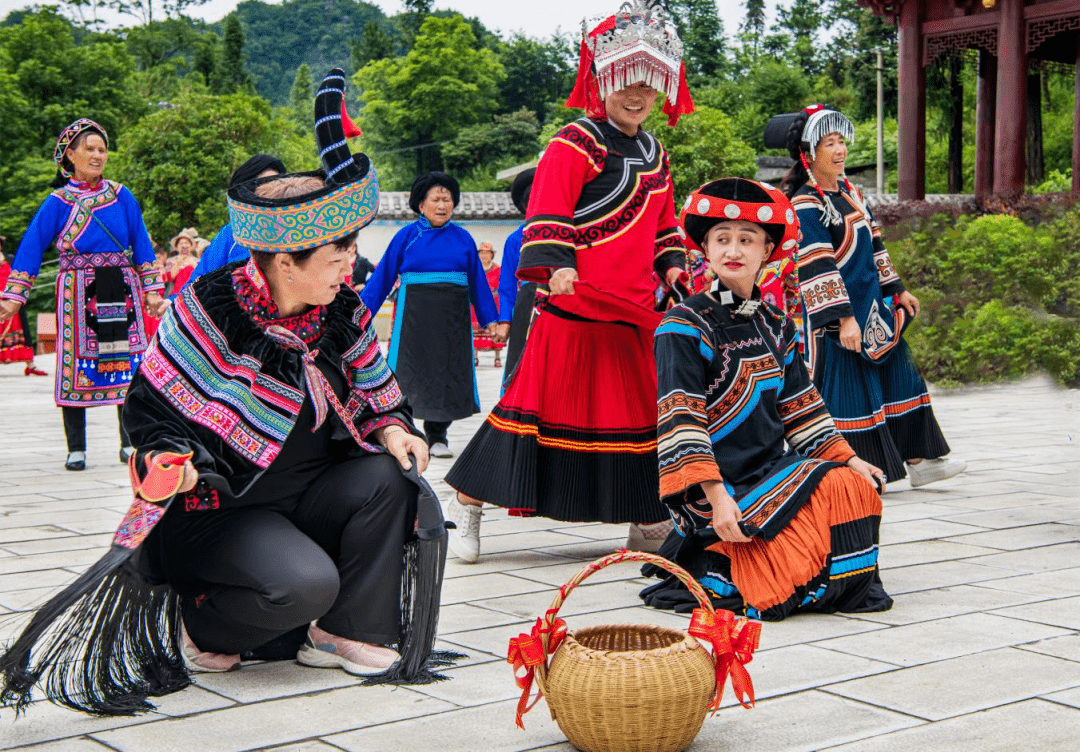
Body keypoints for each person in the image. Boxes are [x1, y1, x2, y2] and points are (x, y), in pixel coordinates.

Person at [0, 69, 450, 717]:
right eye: (337, 252)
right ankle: (201, 626)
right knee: (303, 584)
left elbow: (376, 385)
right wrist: (166, 459)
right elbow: (154, 406)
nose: (349, 265)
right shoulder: (209, 309)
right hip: (222, 504)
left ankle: (341, 630)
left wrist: (393, 425)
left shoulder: (338, 305)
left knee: (390, 475)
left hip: (307, 487)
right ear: (284, 262)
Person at [443, 0, 694, 562]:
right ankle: (467, 498)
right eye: (626, 81)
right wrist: (558, 267)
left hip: (632, 312)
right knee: (530, 409)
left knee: (639, 415)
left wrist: (674, 268)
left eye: (649, 86)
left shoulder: (656, 154)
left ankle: (647, 519)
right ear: (603, 78)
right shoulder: (573, 142)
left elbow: (664, 226)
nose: (637, 95)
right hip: (574, 303)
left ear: (663, 91)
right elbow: (548, 212)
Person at [641, 177, 893, 621]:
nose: (733, 250)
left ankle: (782, 565)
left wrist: (851, 459)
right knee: (781, 581)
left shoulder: (777, 324)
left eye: (746, 239)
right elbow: (681, 422)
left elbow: (803, 408)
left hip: (772, 472)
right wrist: (718, 499)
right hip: (713, 487)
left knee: (853, 486)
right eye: (721, 239)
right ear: (705, 249)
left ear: (767, 250)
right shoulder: (682, 324)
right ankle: (736, 558)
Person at [767, 105, 965, 488]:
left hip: (874, 308)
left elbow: (876, 245)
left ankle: (921, 460)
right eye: (830, 143)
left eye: (842, 141)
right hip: (839, 317)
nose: (840, 150)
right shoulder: (806, 205)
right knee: (849, 396)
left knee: (903, 380)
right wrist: (843, 319)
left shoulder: (851, 191)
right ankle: (851, 474)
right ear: (809, 153)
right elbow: (817, 267)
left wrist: (898, 289)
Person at [0, 118, 166, 471]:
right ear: (70, 155)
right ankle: (77, 448)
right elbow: (31, 247)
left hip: (119, 287)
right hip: (78, 289)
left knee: (125, 362)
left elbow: (141, 242)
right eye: (89, 149)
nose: (97, 155)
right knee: (75, 364)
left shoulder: (122, 196)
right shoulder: (57, 202)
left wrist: (152, 288)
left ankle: (128, 443)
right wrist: (15, 295)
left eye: (102, 149)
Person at [361, 171, 498, 458]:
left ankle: (438, 436)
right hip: (414, 318)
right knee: (407, 373)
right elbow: (383, 277)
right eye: (436, 199)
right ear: (421, 204)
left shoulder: (463, 239)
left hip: (452, 321)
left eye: (447, 199)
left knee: (446, 375)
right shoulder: (406, 237)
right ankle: (404, 431)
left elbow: (478, 283)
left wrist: (492, 320)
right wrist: (360, 314)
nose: (442, 205)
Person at [185, 154, 288, 288]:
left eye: (277, 183)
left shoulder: (293, 230)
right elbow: (199, 280)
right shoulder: (231, 234)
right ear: (247, 191)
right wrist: (171, 303)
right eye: (265, 184)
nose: (272, 190)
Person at [493, 168, 537, 387]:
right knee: (520, 363)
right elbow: (508, 286)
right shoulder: (514, 240)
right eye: (532, 201)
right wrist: (504, 321)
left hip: (560, 304)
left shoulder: (568, 234)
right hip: (526, 307)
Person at [0, 240, 47, 375]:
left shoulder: (10, 259)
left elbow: (19, 276)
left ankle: (30, 365)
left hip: (13, 301)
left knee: (23, 331)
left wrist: (15, 294)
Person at [472, 241, 504, 366]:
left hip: (493, 303)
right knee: (475, 328)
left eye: (487, 253)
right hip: (477, 302)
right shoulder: (474, 269)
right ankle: (475, 357)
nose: (484, 256)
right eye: (481, 253)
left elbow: (502, 287)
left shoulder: (498, 269)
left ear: (492, 255)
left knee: (495, 329)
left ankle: (497, 357)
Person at [164, 227, 201, 295]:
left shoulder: (197, 261)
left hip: (194, 293)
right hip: (176, 294)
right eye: (181, 243)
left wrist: (192, 263)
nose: (184, 245)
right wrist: (178, 263)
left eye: (186, 243)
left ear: (191, 245)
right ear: (177, 246)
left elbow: (200, 275)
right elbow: (170, 277)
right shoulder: (171, 261)